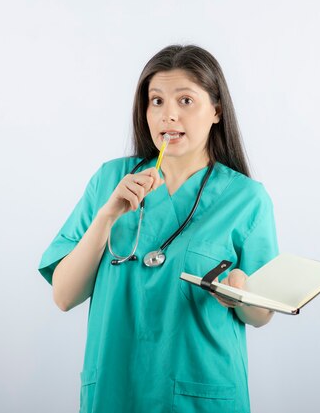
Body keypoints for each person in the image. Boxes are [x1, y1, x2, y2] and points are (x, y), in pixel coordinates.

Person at [38, 44, 279, 413]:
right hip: (116, 391)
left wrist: (239, 293)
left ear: (216, 110)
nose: (168, 116)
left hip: (200, 393)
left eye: (185, 101)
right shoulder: (110, 181)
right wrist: (106, 217)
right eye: (156, 101)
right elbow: (64, 296)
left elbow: (260, 315)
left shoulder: (246, 199)